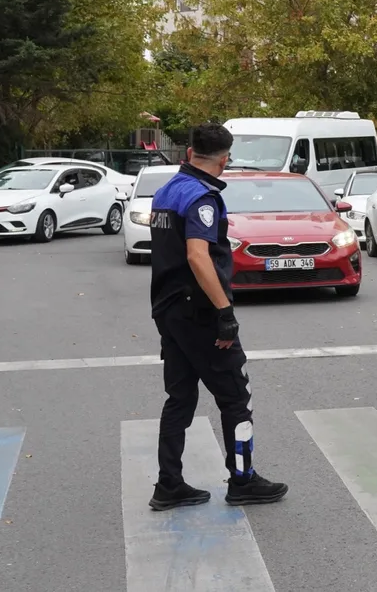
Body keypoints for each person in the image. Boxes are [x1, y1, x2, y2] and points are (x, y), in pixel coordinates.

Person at [147, 123, 288, 511]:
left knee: (180, 398)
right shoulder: (202, 198)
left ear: (189, 152)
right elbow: (197, 255)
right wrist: (224, 313)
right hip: (201, 314)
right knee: (236, 399)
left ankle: (169, 484)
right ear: (225, 160)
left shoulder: (166, 191)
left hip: (169, 310)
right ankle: (243, 479)